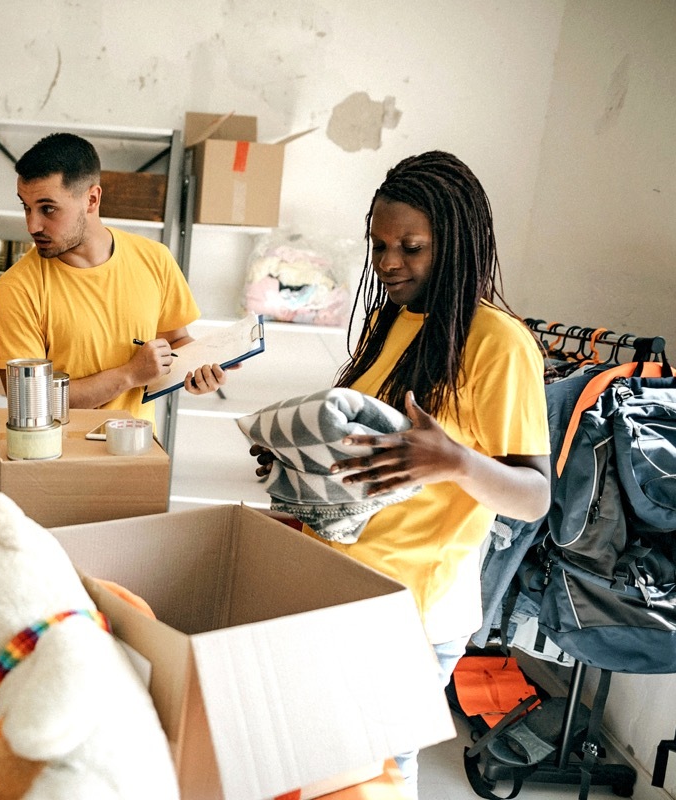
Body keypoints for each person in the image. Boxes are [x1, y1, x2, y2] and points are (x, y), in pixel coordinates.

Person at [251, 151, 550, 797]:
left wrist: (456, 461)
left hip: (412, 610)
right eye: (380, 245)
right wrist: (297, 466)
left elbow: (532, 497)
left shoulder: (498, 343)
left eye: (411, 247)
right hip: (344, 585)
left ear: (456, 242)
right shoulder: (395, 321)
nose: (389, 262)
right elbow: (364, 453)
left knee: (377, 777)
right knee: (333, 769)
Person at [0, 132, 225, 425]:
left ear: (92, 199)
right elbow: (30, 402)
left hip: (136, 453)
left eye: (48, 208)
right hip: (55, 464)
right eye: (26, 206)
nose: (32, 225)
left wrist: (200, 368)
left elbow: (176, 339)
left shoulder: (155, 258)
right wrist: (129, 375)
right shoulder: (18, 288)